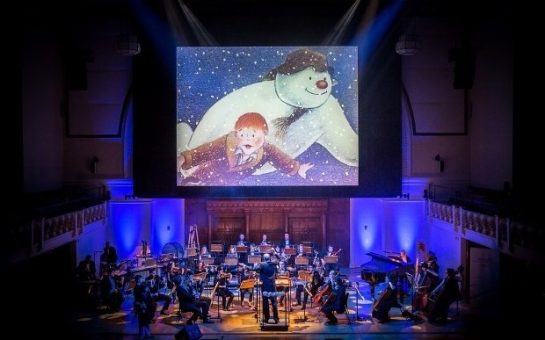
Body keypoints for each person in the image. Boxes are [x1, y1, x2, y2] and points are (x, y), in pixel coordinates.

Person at [177, 112, 314, 185]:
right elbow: (204, 151)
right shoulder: (226, 142)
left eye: (254, 135)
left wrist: (297, 168)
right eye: (243, 134)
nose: (248, 139)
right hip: (203, 175)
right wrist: (184, 158)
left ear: (264, 134)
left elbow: (281, 159)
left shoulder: (267, 150)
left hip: (226, 184)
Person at [254, 253, 279, 324]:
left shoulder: (262, 264)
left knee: (265, 303)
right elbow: (278, 263)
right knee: (274, 303)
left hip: (265, 286)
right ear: (269, 258)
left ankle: (266, 318)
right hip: (272, 286)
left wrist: (259, 264)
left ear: (264, 258)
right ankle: (276, 319)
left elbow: (255, 268)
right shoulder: (273, 264)